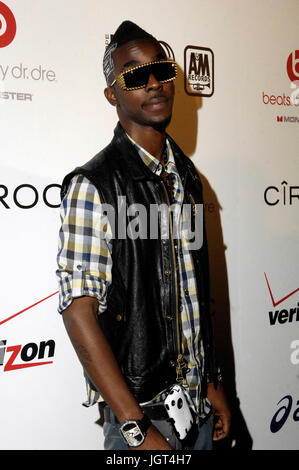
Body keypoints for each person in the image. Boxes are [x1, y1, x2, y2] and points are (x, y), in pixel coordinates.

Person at [56, 20, 231, 450]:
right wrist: (135, 428)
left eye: (162, 70)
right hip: (143, 419)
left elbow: (189, 296)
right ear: (112, 94)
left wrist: (210, 384)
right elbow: (79, 313)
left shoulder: (187, 176)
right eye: (135, 75)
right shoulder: (93, 184)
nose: (154, 83)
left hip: (198, 410)